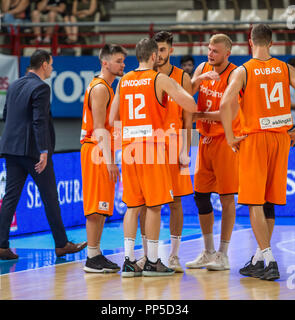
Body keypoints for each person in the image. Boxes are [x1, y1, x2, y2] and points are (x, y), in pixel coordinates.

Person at [215, 24, 295, 280]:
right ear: (271, 43)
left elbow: (225, 102)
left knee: (253, 201)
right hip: (281, 139)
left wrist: (229, 136)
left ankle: (269, 258)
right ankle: (259, 259)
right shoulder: (285, 68)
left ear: (250, 42)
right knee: (269, 201)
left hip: (255, 139)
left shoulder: (243, 70)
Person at [107, 38, 197, 277]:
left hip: (129, 148)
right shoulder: (160, 78)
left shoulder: (123, 81)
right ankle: (153, 262)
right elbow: (190, 104)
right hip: (152, 147)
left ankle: (128, 260)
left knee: (133, 207)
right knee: (155, 206)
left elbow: (112, 117)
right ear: (154, 57)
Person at [0, 49, 87, 260]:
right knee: (50, 198)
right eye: (51, 64)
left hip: (11, 149)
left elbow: (5, 115)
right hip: (33, 152)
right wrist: (43, 151)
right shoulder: (41, 87)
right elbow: (39, 121)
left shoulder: (14, 85)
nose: (52, 68)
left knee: (10, 197)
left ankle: (2, 246)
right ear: (44, 64)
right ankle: (62, 244)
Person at [136, 31, 193, 273]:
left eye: (162, 49)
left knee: (176, 202)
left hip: (174, 145)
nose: (158, 54)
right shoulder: (144, 77)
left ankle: (175, 255)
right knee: (145, 203)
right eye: (156, 49)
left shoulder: (182, 77)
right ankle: (148, 254)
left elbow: (188, 121)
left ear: (171, 50)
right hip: (149, 147)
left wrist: (185, 149)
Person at [186, 34, 241, 272]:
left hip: (225, 141)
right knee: (200, 196)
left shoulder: (235, 74)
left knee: (227, 198)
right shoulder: (202, 67)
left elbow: (228, 114)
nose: (210, 54)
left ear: (227, 53)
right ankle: (208, 251)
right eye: (209, 49)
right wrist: (198, 78)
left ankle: (223, 253)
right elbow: (185, 93)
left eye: (215, 51)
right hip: (205, 141)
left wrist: (197, 116)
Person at [80, 44, 127, 273]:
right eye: (119, 61)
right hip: (96, 148)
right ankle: (91, 256)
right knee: (95, 206)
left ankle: (96, 253)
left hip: (102, 149)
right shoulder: (100, 88)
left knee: (102, 205)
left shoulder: (108, 87)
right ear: (105, 63)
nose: (123, 65)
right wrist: (109, 160)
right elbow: (99, 128)